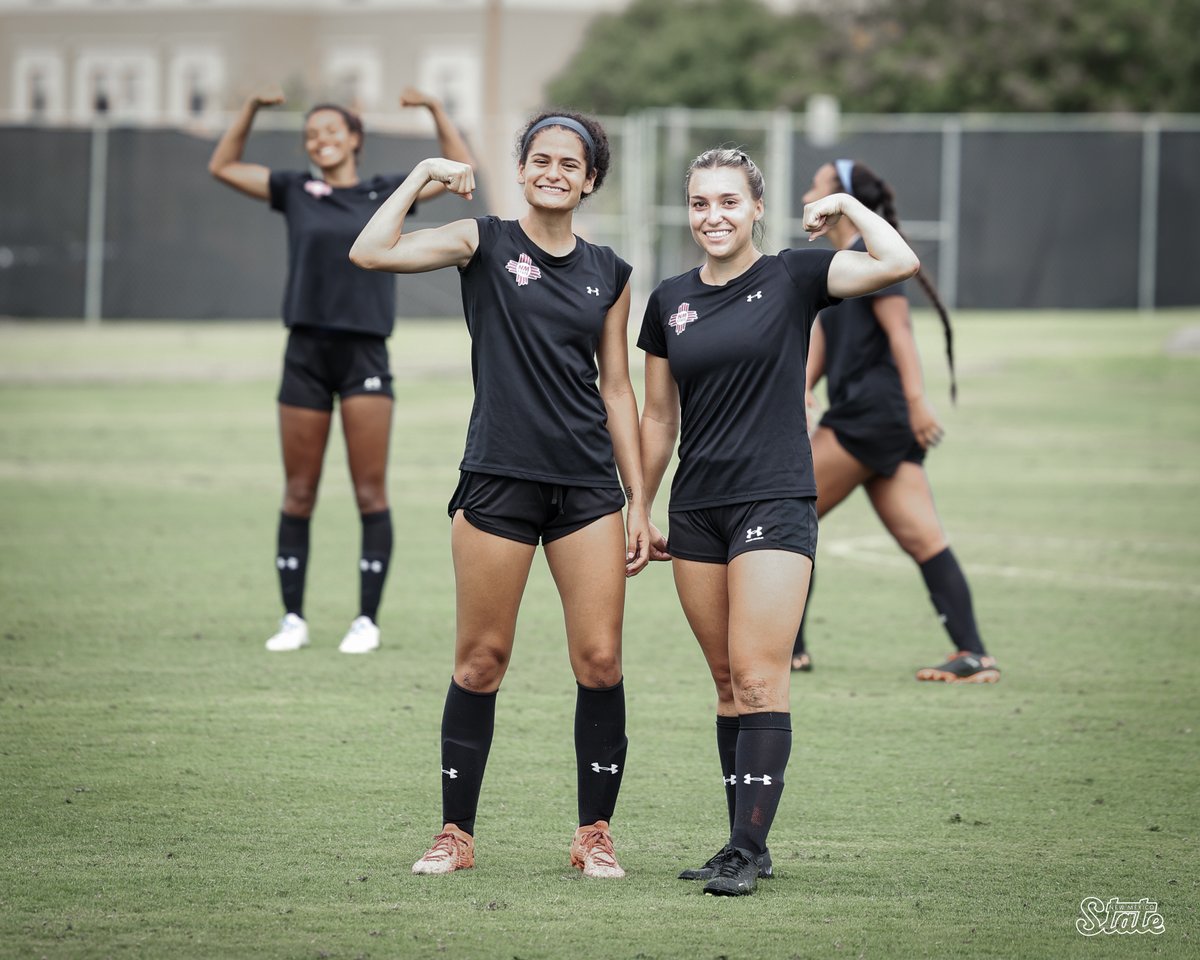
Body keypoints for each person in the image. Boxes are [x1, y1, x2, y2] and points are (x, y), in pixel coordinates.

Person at [350, 111, 649, 878]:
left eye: (569, 163)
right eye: (539, 159)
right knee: (481, 661)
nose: (553, 171)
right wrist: (422, 176)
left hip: (587, 484)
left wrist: (641, 500)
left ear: (589, 181)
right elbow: (370, 249)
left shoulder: (609, 272)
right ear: (521, 170)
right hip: (498, 478)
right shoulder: (480, 240)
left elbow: (617, 389)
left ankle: (594, 835)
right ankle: (456, 833)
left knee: (602, 660)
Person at [638, 147, 919, 896]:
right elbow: (659, 415)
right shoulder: (668, 299)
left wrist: (849, 212)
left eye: (729, 201)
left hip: (775, 500)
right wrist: (639, 502)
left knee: (763, 677)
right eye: (701, 203)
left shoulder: (795, 274)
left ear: (756, 208)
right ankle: (743, 844)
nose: (713, 216)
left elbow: (898, 262)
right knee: (728, 681)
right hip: (696, 509)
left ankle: (745, 846)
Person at [208, 85, 474, 654]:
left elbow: (458, 170)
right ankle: (292, 619)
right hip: (304, 353)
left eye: (331, 131)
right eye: (310, 134)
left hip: (364, 355)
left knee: (369, 491)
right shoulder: (295, 190)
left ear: (354, 138)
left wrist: (434, 111)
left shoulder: (384, 191)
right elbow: (223, 166)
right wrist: (251, 109)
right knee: (299, 492)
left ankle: (366, 621)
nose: (319, 140)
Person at [790, 159, 999, 684]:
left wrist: (918, 401)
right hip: (879, 421)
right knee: (926, 542)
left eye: (815, 184)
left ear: (836, 195)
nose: (805, 192)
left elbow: (901, 332)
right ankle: (974, 655)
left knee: (788, 510)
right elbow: (824, 342)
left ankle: (788, 649)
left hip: (871, 415)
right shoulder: (842, 261)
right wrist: (801, 390)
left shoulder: (870, 256)